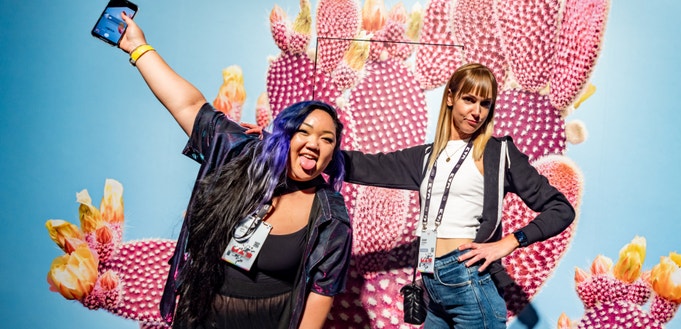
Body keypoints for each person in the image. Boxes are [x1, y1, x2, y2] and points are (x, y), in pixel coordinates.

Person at [117, 13, 353, 329]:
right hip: (200, 317)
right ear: (285, 135)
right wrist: (139, 48)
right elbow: (189, 106)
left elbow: (321, 293)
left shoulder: (331, 217)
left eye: (327, 140)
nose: (315, 144)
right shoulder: (240, 153)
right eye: (304, 132)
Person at [340, 63, 576, 328]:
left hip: (469, 282)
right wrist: (319, 152)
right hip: (432, 285)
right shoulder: (427, 157)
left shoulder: (498, 154)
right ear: (451, 97)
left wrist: (511, 241)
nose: (476, 112)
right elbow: (369, 167)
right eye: (469, 99)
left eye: (485, 104)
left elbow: (561, 209)